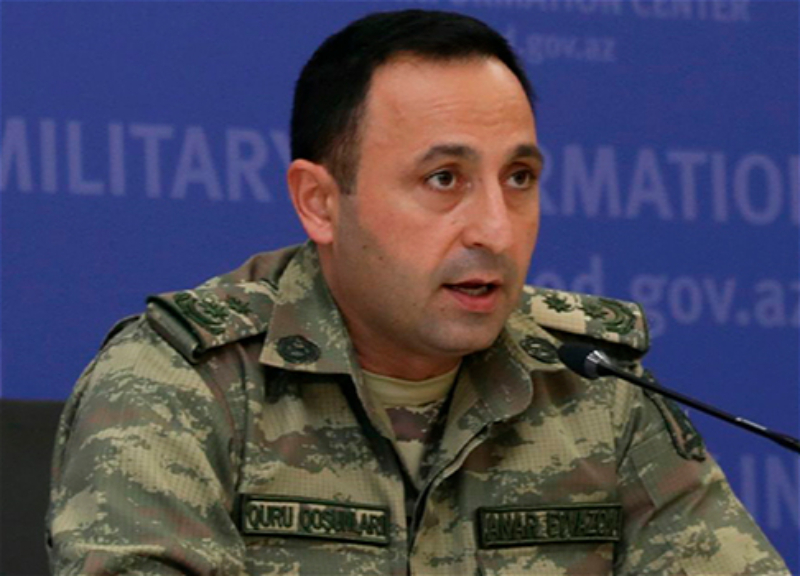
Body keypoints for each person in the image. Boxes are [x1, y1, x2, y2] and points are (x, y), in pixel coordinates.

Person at [47, 9, 790, 576]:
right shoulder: (181, 381)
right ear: (319, 202)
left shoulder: (595, 386)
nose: (495, 228)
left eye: (519, 178)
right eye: (444, 179)